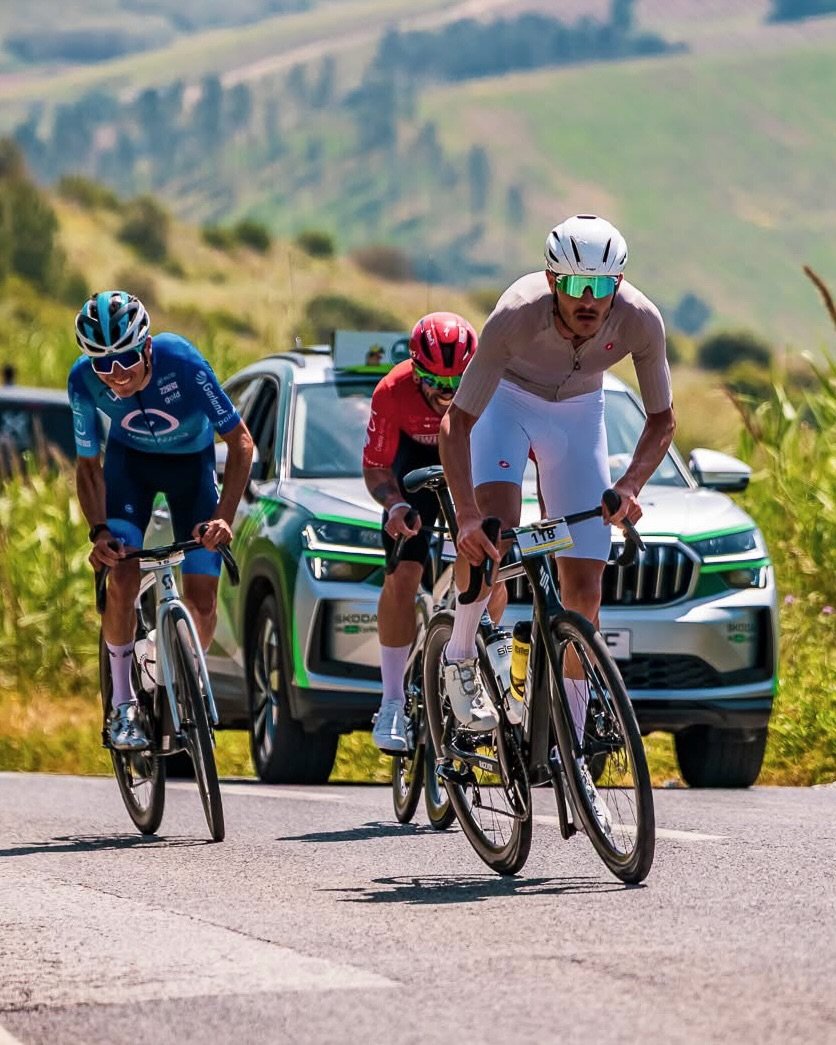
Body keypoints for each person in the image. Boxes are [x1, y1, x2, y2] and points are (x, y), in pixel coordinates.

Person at [438, 214, 676, 740]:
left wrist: (631, 486)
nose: (588, 299)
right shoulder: (516, 315)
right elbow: (456, 422)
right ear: (551, 281)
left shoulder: (641, 319)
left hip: (579, 413)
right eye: (574, 284)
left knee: (585, 589)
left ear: (618, 283)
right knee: (493, 539)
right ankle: (458, 657)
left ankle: (572, 730)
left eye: (602, 285)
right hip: (507, 405)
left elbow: (662, 420)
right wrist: (468, 517)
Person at [68, 290, 253, 751]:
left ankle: (175, 673)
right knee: (123, 578)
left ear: (147, 346)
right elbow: (89, 466)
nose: (117, 374)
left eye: (127, 358)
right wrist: (99, 532)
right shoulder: (82, 383)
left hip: (192, 469)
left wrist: (224, 518)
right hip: (129, 470)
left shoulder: (181, 361)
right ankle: (123, 705)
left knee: (203, 601)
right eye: (102, 364)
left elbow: (241, 442)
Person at [362, 311, 496, 754]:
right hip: (411, 477)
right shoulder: (392, 391)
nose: (446, 392)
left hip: (466, 472)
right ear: (415, 370)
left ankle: (477, 654)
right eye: (434, 381)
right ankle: (392, 702)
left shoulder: (492, 387)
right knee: (402, 574)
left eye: (458, 382)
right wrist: (395, 504)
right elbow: (377, 466)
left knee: (488, 555)